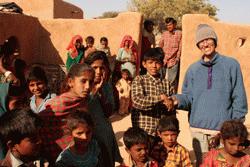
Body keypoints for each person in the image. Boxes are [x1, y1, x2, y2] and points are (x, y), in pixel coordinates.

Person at [170, 24, 248, 166]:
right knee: (203, 163)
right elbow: (188, 97)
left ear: (215, 41)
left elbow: (239, 97)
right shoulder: (193, 70)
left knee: (224, 164)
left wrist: (234, 127)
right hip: (198, 129)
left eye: (208, 39)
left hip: (223, 131)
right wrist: (176, 100)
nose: (205, 43)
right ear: (198, 45)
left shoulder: (231, 65)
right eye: (201, 41)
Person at [39, 63, 95, 163]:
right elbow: (38, 125)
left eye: (90, 82)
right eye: (83, 81)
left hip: (80, 156)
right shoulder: (59, 104)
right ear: (70, 82)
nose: (87, 86)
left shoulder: (83, 101)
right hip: (59, 158)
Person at [85, 51, 123, 167]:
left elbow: (109, 112)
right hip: (87, 133)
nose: (98, 72)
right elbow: (80, 109)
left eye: (102, 68)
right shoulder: (83, 85)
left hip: (104, 133)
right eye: (94, 67)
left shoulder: (106, 85)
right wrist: (93, 93)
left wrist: (100, 92)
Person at [131, 48, 175, 140]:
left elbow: (171, 109)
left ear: (162, 64)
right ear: (144, 64)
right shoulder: (139, 80)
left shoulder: (167, 83)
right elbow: (137, 101)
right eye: (150, 62)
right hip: (143, 131)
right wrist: (161, 98)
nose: (154, 66)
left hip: (161, 133)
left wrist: (171, 103)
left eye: (157, 63)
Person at [159, 17, 182, 93]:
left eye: (170, 25)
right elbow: (160, 45)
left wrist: (177, 59)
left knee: (171, 81)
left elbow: (180, 47)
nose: (169, 27)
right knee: (159, 79)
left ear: (174, 24)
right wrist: (160, 57)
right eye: (167, 25)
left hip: (173, 60)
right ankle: (161, 95)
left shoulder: (179, 33)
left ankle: (170, 98)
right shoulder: (164, 34)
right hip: (163, 59)